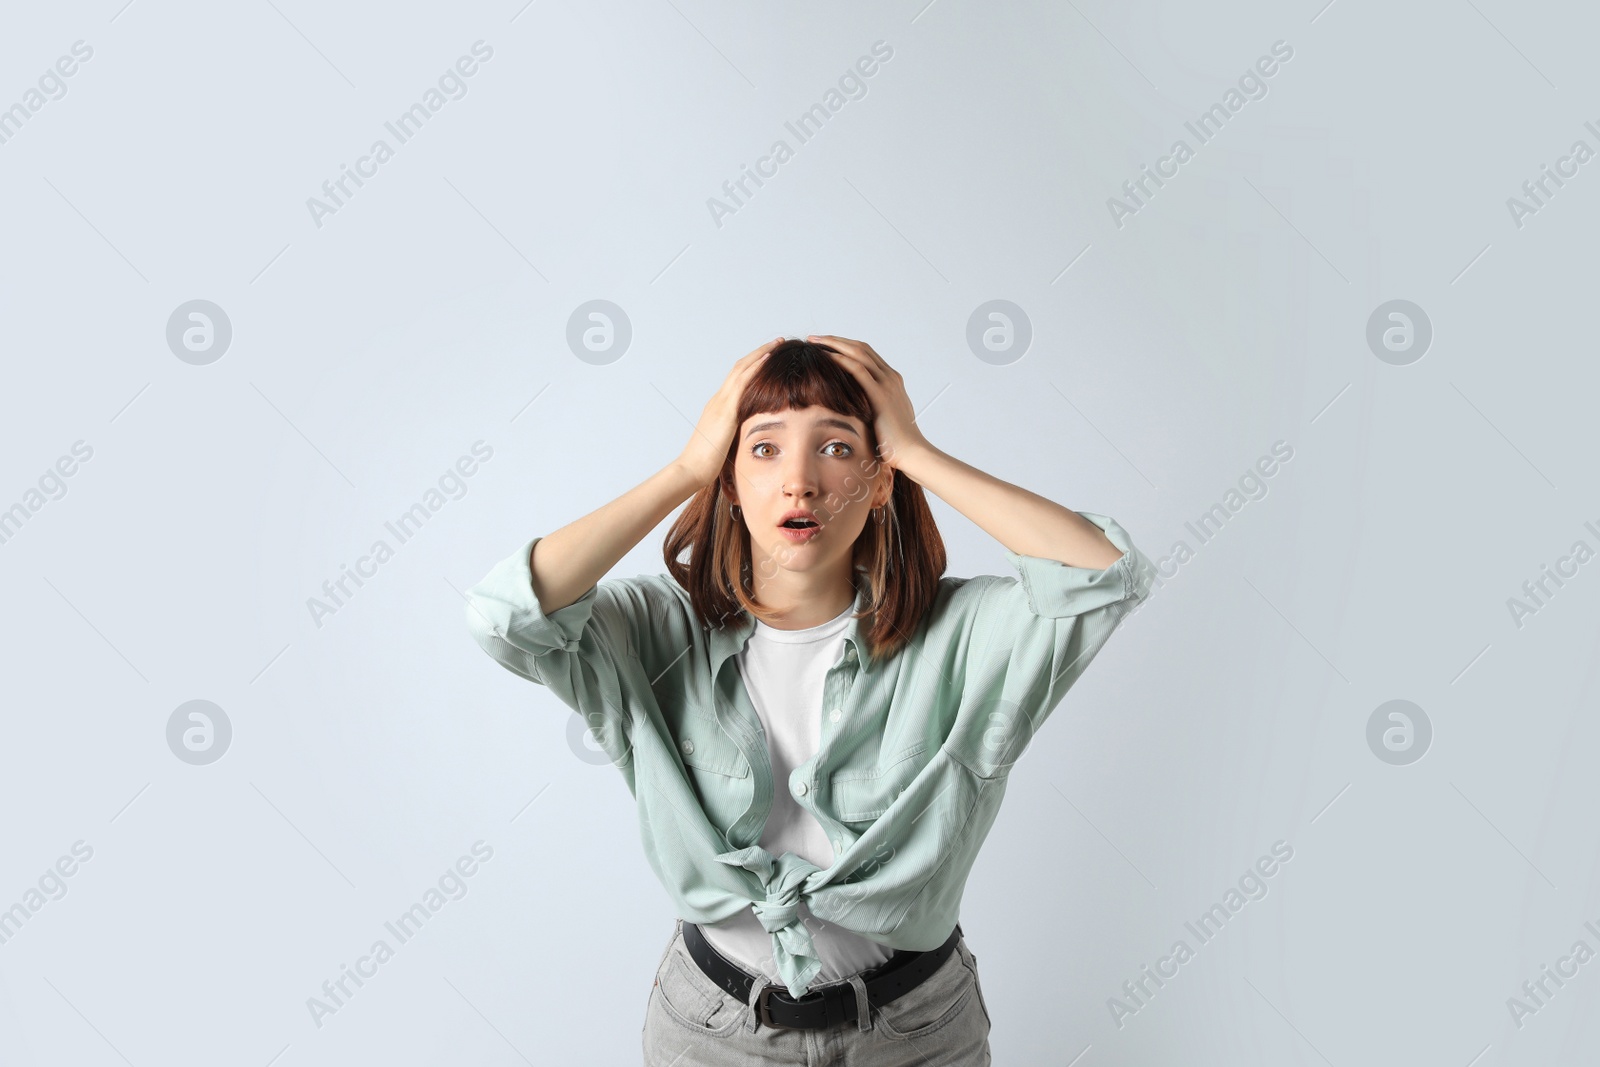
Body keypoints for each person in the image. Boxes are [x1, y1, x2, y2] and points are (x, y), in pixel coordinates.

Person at [463, 335, 1154, 1064]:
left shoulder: (959, 632)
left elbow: (1103, 576)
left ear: (878, 478)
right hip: (712, 1030)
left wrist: (917, 451)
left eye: (835, 447)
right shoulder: (655, 628)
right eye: (762, 449)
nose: (799, 481)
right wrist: (687, 468)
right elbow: (504, 616)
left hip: (916, 1030)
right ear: (730, 482)